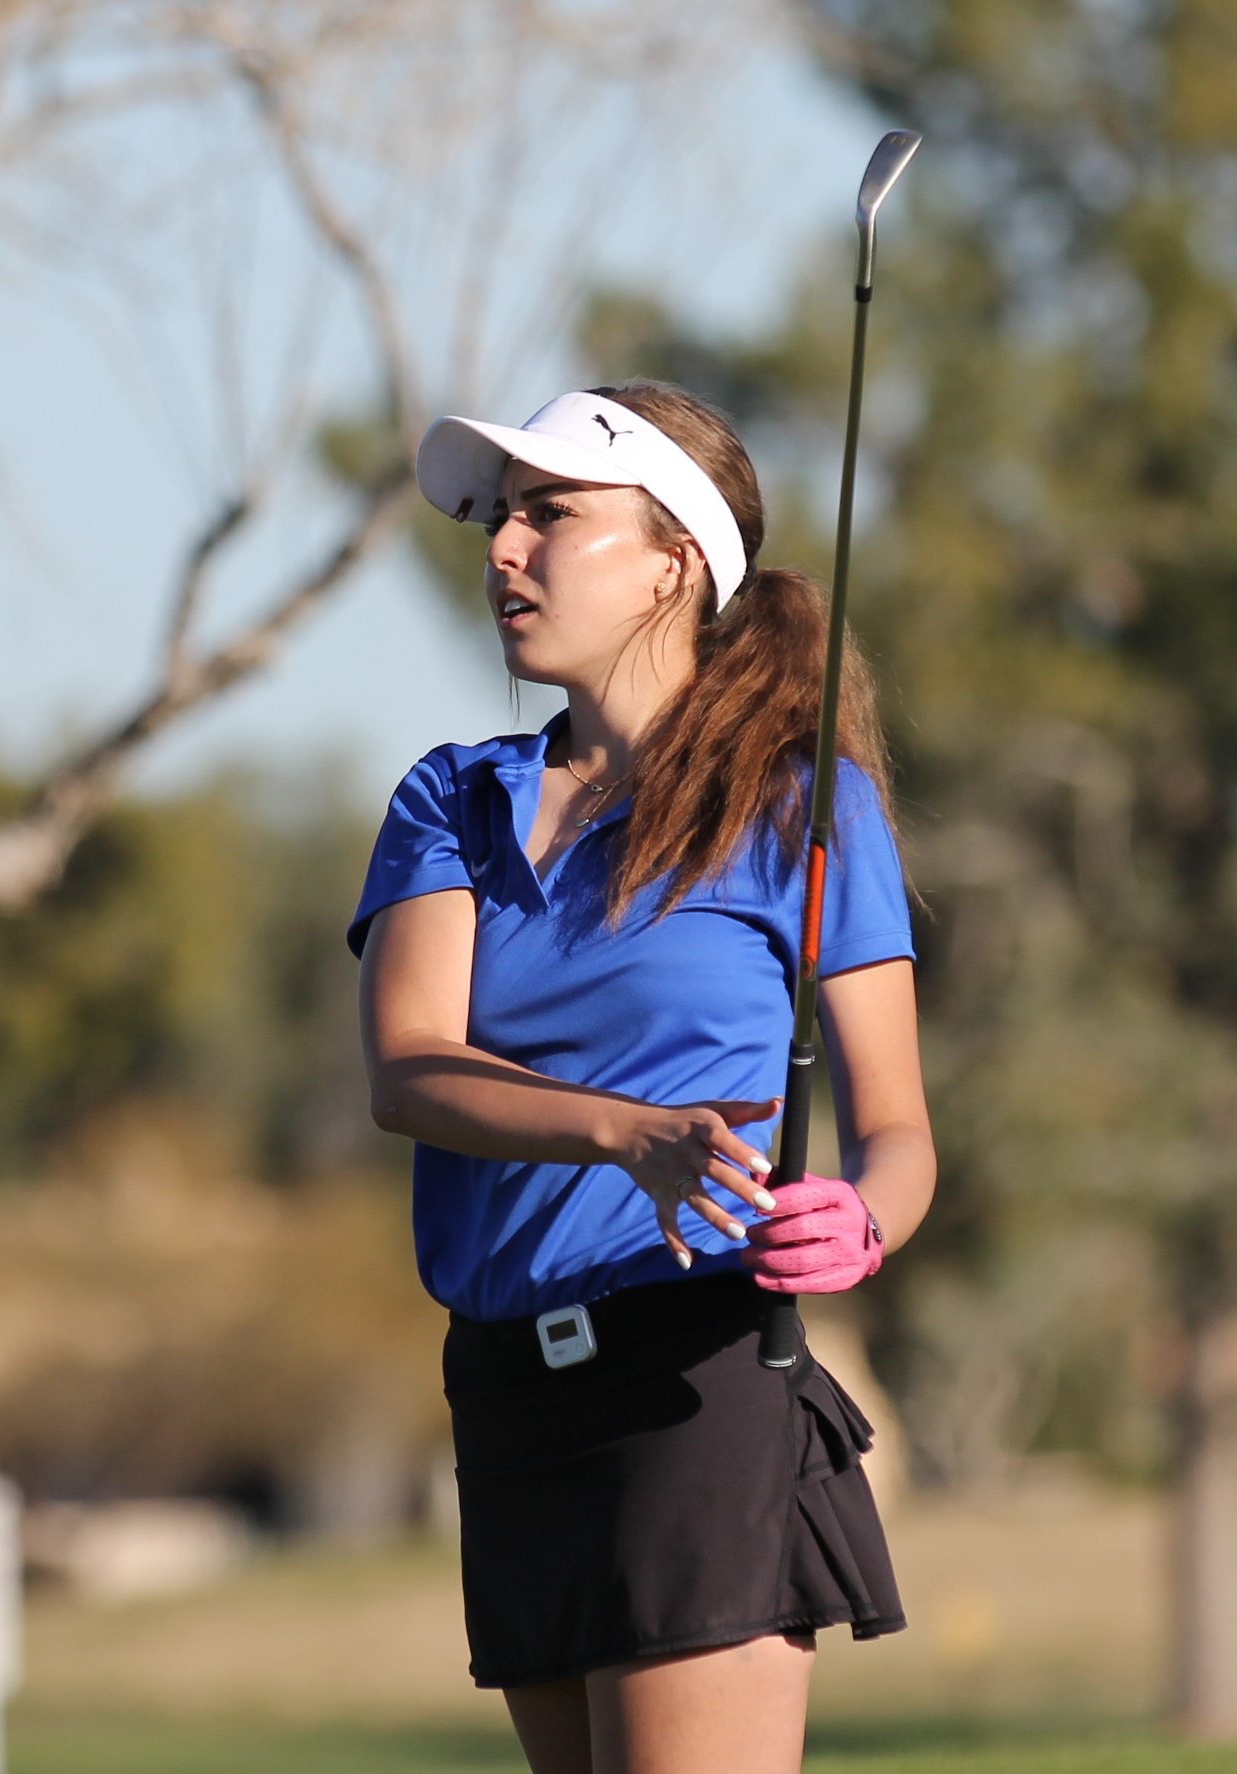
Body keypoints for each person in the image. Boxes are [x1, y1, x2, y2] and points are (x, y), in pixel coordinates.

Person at [349, 380, 937, 1774]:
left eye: (551, 514)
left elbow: (900, 1127)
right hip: (508, 1393)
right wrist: (624, 1131)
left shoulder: (806, 803)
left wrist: (862, 1219)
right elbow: (411, 1066)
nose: (504, 547)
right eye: (502, 517)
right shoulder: (453, 797)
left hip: (702, 1372)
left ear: (675, 555)